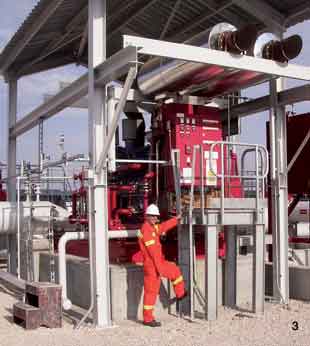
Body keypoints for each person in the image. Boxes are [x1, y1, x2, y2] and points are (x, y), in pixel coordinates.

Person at [138, 204, 186, 327]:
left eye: (156, 216)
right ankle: (148, 319)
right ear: (147, 216)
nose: (154, 218)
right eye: (152, 216)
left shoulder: (152, 227)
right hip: (153, 266)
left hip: (156, 264)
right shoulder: (147, 229)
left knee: (174, 271)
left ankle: (180, 294)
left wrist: (176, 219)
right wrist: (161, 269)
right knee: (151, 292)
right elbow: (153, 251)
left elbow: (163, 226)